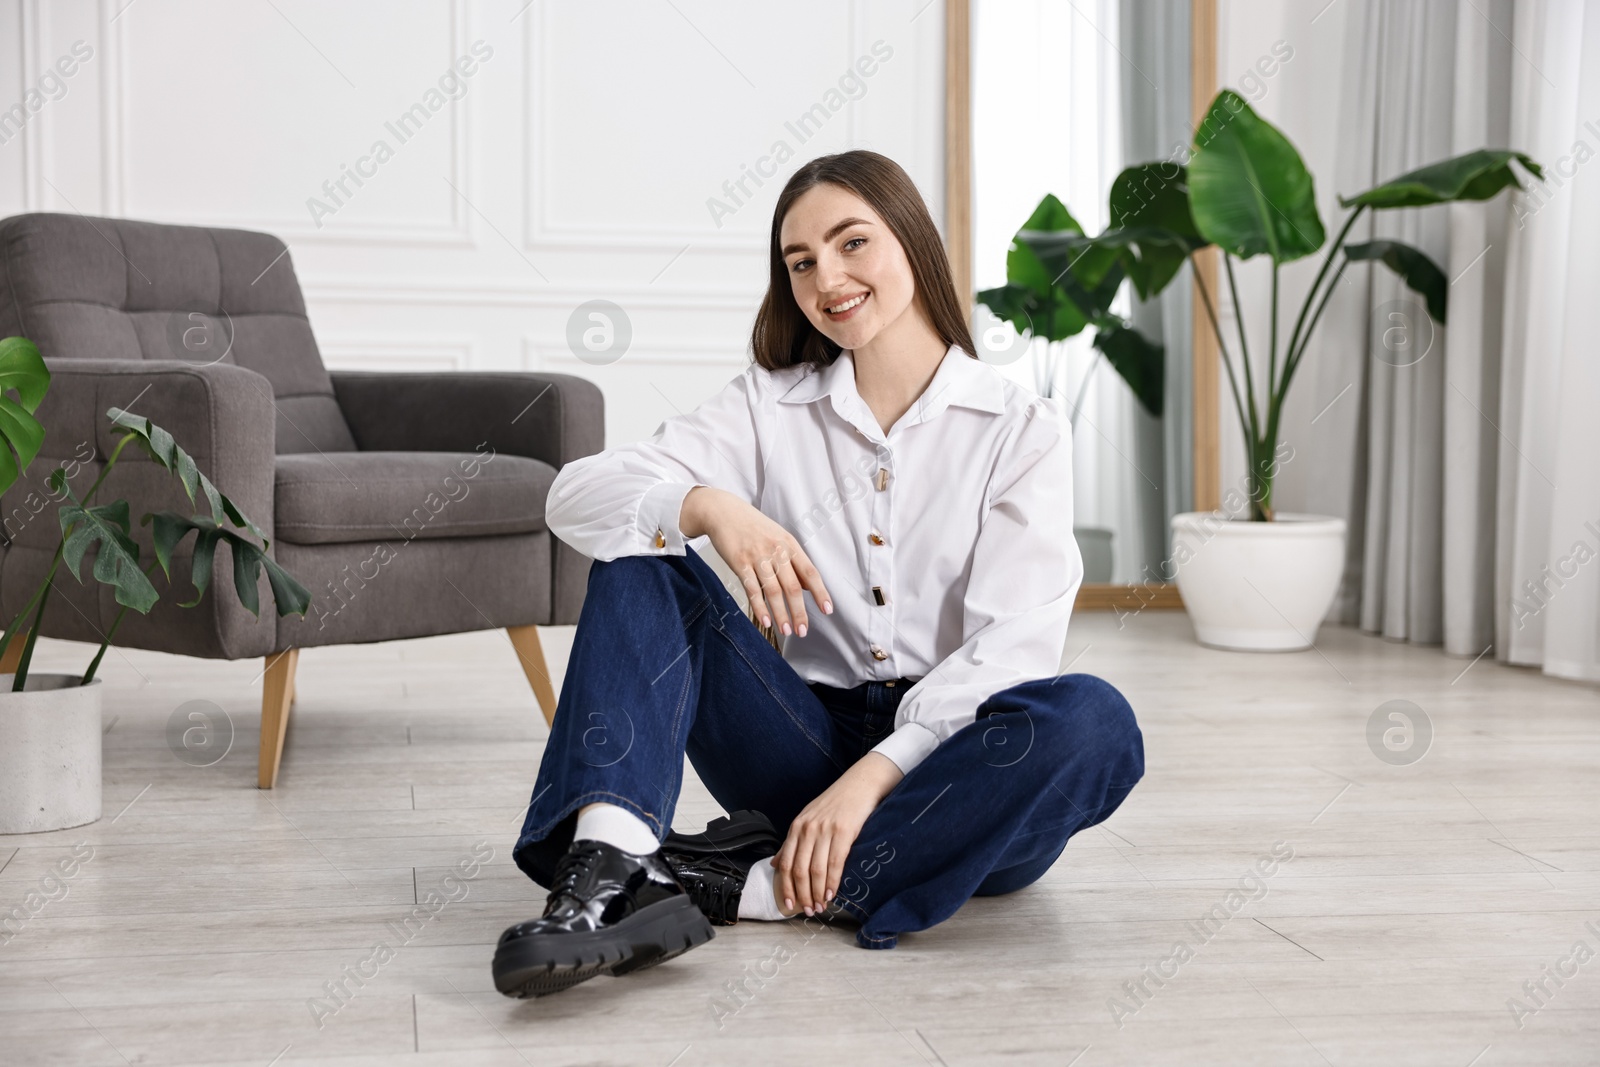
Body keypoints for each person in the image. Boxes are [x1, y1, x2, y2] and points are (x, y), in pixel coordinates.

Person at [492, 149, 1145, 999]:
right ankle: (618, 863)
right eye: (800, 262)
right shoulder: (769, 406)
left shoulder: (1018, 428)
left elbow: (1010, 652)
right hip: (798, 743)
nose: (826, 277)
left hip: (962, 772)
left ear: (911, 239)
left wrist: (871, 781)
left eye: (852, 243)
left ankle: (752, 887)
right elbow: (576, 495)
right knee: (640, 558)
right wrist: (707, 506)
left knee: (1097, 720)